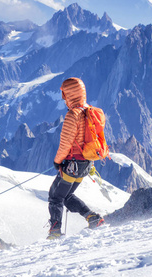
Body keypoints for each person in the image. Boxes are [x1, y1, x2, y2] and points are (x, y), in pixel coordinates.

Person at [47, 77, 105, 240]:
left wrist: (57, 161)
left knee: (55, 197)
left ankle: (55, 231)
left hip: (72, 165)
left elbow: (65, 144)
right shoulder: (91, 111)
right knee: (67, 196)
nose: (63, 98)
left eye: (65, 93)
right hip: (86, 163)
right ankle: (92, 218)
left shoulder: (73, 115)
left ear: (70, 93)